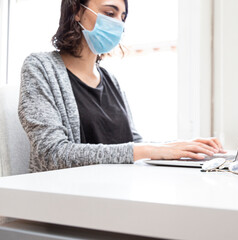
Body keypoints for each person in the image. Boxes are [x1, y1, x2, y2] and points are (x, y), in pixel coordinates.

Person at [18, 0, 225, 173]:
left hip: (118, 194)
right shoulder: (40, 67)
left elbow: (132, 142)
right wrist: (152, 150)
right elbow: (52, 154)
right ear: (77, 11)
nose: (119, 24)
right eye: (110, 13)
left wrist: (182, 148)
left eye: (122, 17)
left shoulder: (110, 79)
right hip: (73, 201)